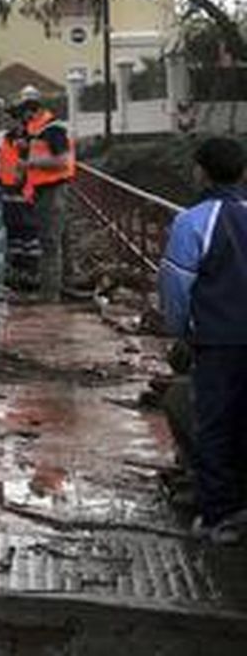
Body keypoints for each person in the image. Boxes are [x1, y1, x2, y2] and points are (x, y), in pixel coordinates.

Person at [158, 136, 247, 543]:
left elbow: (176, 288)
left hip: (216, 340)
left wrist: (180, 334)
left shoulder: (192, 222)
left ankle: (221, 516)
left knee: (213, 425)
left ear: (201, 172)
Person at [20, 90, 76, 302]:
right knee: (61, 239)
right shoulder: (42, 131)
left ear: (34, 113)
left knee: (50, 242)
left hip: (54, 192)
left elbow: (63, 161)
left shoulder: (53, 131)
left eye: (25, 115)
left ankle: (49, 294)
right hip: (47, 191)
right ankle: (65, 286)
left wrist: (30, 164)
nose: (23, 121)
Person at [0, 102, 40, 290]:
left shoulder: (31, 139)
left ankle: (32, 275)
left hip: (25, 194)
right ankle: (17, 275)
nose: (4, 123)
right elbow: (4, 163)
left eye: (7, 119)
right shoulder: (7, 138)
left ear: (18, 120)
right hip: (8, 192)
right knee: (14, 236)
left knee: (29, 236)